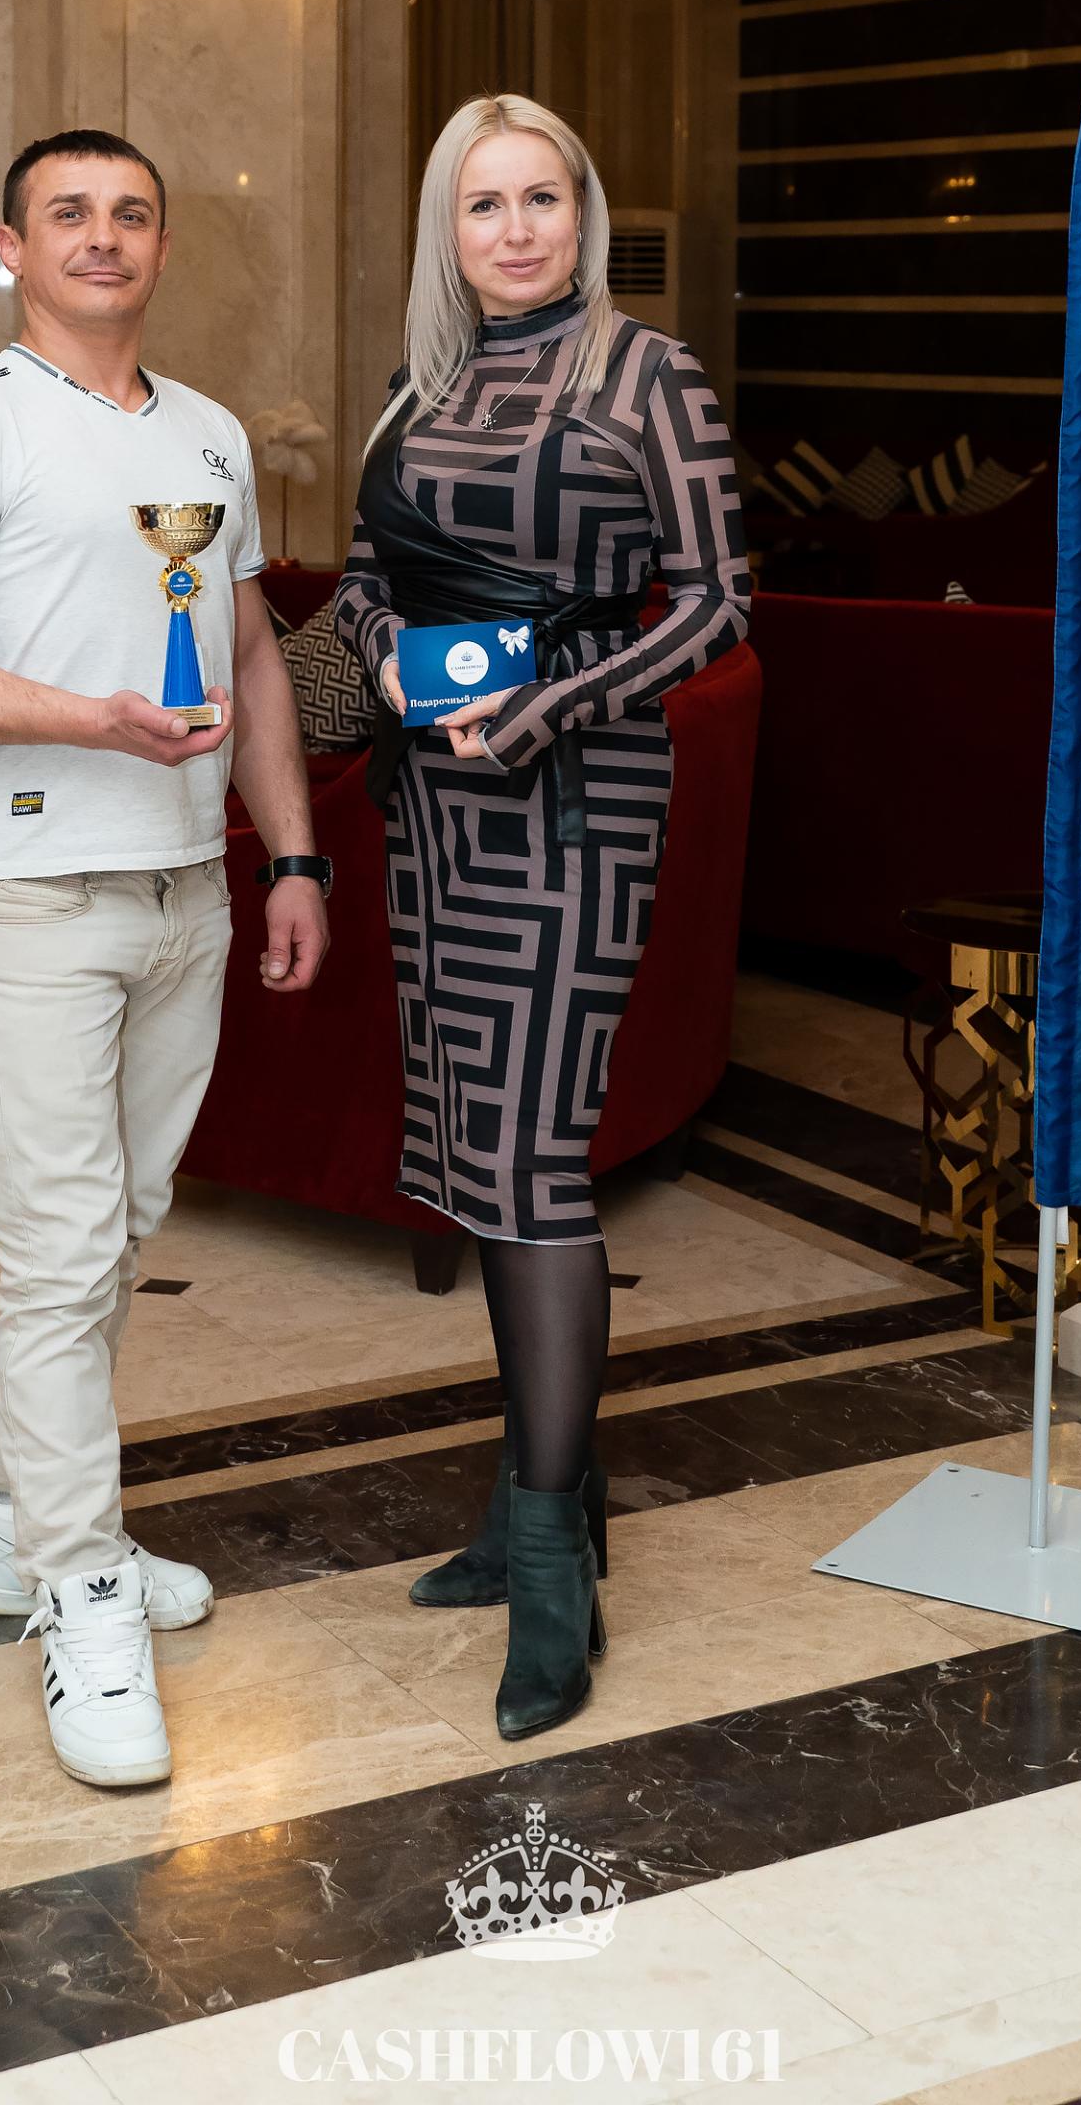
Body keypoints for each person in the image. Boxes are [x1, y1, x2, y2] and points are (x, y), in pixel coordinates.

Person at [0, 128, 331, 1791]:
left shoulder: (206, 433)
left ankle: (19, 1529)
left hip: (190, 887)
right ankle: (84, 1595)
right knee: (60, 1256)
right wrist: (94, 723)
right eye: (69, 214)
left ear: (162, 247)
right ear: (13, 247)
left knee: (117, 1231)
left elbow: (253, 655)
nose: (103, 237)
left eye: (131, 215)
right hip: (38, 890)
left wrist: (292, 854)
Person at [333, 93, 749, 1741]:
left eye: (543, 198)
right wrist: (381, 660)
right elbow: (364, 578)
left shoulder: (649, 376)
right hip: (437, 800)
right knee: (470, 1143)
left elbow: (715, 604)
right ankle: (530, 1514)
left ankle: (559, 1565)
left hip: (576, 798)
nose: (516, 230)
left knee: (530, 1157)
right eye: (484, 203)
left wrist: (553, 709)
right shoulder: (419, 386)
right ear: (447, 229)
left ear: (584, 214)